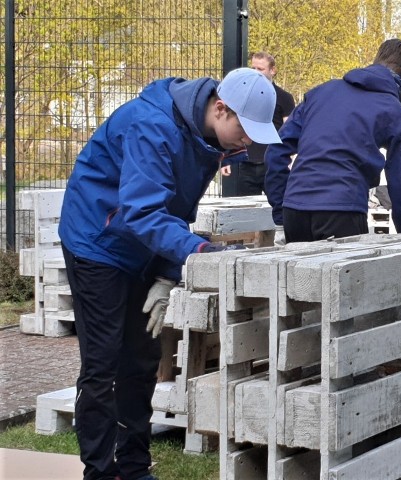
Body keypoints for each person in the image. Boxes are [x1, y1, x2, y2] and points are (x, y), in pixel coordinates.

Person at [58, 67, 280, 480]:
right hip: (97, 240)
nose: (248, 142)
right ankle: (101, 473)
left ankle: (135, 468)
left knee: (141, 361)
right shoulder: (153, 126)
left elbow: (176, 208)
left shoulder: (209, 140)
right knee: (103, 364)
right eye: (245, 130)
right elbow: (143, 211)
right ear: (220, 108)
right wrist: (200, 252)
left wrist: (165, 273)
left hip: (140, 248)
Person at [264, 38, 401, 244]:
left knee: (301, 277)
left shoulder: (321, 92)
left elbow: (276, 150)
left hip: (295, 208)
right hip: (343, 208)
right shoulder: (395, 112)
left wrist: (280, 208)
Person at [220, 52, 295, 196]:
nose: (255, 73)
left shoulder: (284, 97)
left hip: (272, 163)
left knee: (278, 208)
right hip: (245, 163)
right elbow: (230, 126)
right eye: (253, 68)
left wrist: (291, 158)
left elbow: (289, 130)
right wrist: (227, 158)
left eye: (260, 69)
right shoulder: (242, 95)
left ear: (273, 70)